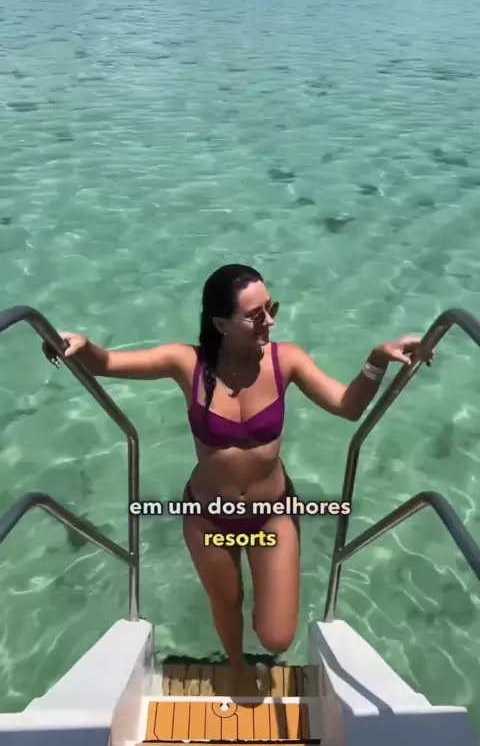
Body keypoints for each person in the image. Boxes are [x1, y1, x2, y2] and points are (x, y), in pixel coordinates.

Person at [42, 263, 431, 694]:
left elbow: (347, 406)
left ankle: (258, 636)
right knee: (227, 602)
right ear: (221, 324)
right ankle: (237, 667)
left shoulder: (286, 360)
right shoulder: (186, 362)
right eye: (255, 315)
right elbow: (109, 363)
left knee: (277, 636)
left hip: (271, 517)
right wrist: (79, 344)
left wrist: (377, 360)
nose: (269, 321)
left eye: (271, 309)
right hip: (208, 516)